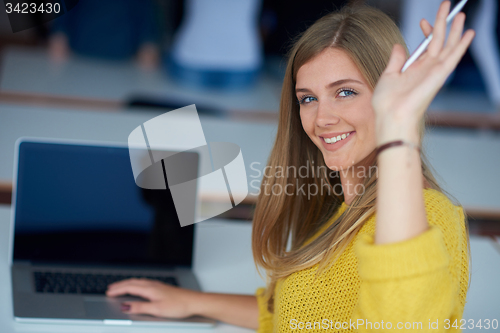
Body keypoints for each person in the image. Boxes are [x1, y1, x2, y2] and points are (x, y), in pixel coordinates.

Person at [106, 2, 474, 331]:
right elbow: (297, 316)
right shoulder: (338, 206)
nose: (322, 118)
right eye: (308, 98)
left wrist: (398, 129)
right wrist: (191, 302)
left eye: (345, 91)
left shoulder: (428, 217)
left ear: (390, 93)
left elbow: (402, 324)